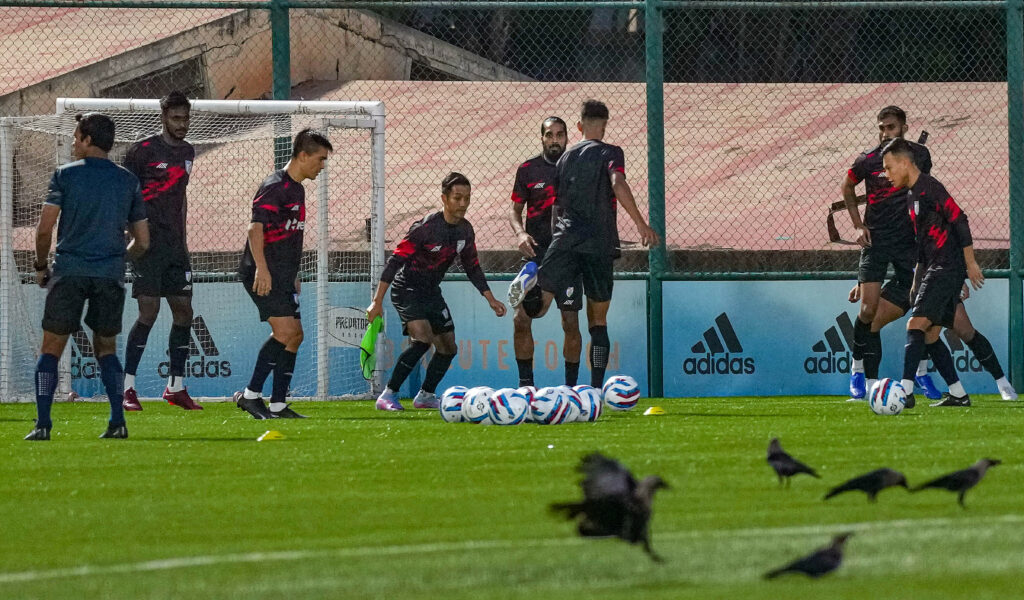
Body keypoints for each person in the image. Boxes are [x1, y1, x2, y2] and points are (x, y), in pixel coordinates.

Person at [510, 99, 658, 389]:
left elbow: (557, 206)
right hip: (599, 244)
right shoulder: (611, 152)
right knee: (598, 322)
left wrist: (555, 243)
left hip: (564, 241)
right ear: (604, 124)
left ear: (578, 127)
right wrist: (641, 223)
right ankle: (595, 390)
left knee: (538, 308)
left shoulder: (565, 159)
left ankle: (531, 282)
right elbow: (618, 183)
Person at [25, 113, 149, 441]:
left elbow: (44, 230)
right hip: (109, 275)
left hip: (69, 272)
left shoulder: (65, 176)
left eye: (77, 136)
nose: (72, 141)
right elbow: (144, 241)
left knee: (50, 349)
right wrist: (117, 258)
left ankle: (42, 424)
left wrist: (40, 267)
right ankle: (117, 421)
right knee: (106, 349)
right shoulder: (127, 181)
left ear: (88, 140)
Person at [368, 172, 507, 411]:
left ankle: (426, 396)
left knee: (448, 348)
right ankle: (388, 395)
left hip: (431, 291)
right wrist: (376, 302)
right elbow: (394, 262)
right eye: (457, 198)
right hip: (407, 288)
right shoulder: (425, 228)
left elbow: (472, 266)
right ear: (444, 198)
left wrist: (490, 299)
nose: (463, 204)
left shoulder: (465, 231)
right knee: (422, 340)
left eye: (467, 198)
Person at [233, 129, 332, 420]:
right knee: (285, 332)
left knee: (295, 336)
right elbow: (255, 229)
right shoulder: (274, 185)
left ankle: (277, 404)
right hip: (262, 272)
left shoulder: (297, 189)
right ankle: (250, 396)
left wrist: (293, 273)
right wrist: (263, 270)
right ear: (302, 156)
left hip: (283, 274)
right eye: (320, 159)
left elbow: (289, 237)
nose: (322, 166)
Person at [843, 106, 939, 401]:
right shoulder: (867, 159)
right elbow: (847, 186)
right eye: (882, 127)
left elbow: (926, 192)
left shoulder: (919, 156)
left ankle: (921, 374)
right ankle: (859, 369)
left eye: (891, 127)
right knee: (867, 311)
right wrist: (858, 225)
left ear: (904, 128)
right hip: (876, 241)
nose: (886, 133)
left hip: (908, 244)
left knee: (924, 308)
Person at [882, 138, 986, 408]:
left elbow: (959, 219)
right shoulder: (910, 196)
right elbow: (922, 244)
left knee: (914, 326)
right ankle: (959, 394)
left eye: (889, 168)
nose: (887, 174)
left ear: (905, 163)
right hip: (934, 269)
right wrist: (916, 281)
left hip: (947, 268)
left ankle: (904, 391)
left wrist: (970, 263)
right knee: (929, 335)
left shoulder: (931, 188)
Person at [120, 91, 201, 411]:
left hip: (175, 247)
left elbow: (180, 198)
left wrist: (183, 242)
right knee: (148, 312)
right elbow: (125, 196)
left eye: (186, 118)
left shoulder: (188, 152)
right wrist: (133, 239)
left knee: (184, 311)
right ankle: (127, 388)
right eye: (176, 118)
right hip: (147, 245)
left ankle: (176, 387)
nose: (182, 125)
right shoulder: (141, 152)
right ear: (164, 117)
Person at [507, 116, 583, 387]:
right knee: (520, 318)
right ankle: (526, 386)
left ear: (566, 137)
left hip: (568, 257)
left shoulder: (578, 167)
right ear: (542, 137)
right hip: (536, 256)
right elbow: (515, 211)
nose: (555, 140)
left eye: (560, 134)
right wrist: (520, 233)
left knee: (570, 322)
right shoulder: (528, 169)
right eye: (549, 135)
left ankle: (571, 389)